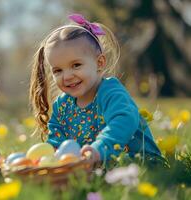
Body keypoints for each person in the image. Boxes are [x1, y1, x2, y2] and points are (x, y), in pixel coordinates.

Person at [29, 14, 162, 164]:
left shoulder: (111, 92)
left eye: (76, 65)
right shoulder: (62, 105)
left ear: (99, 62)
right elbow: (57, 143)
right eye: (58, 70)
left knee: (117, 165)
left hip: (138, 161)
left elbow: (124, 121)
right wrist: (46, 160)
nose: (66, 76)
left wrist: (99, 149)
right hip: (95, 166)